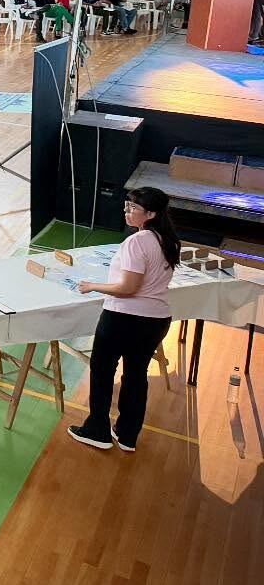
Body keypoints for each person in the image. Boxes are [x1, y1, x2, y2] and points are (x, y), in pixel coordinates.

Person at [68, 188, 181, 453]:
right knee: (135, 375)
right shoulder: (169, 240)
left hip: (124, 317)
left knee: (103, 371)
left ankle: (97, 429)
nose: (126, 211)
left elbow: (128, 287)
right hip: (156, 320)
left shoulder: (137, 241)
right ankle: (128, 435)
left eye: (133, 208)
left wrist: (93, 286)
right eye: (127, 206)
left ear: (151, 213)